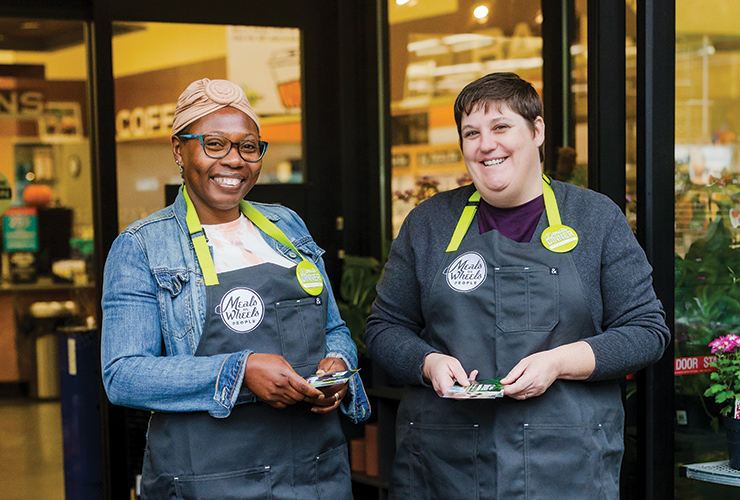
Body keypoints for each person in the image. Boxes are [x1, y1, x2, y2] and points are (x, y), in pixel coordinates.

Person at [365, 72, 670, 499]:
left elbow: (646, 331)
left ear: (537, 130)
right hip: (445, 463)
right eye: (471, 133)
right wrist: (427, 362)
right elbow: (383, 328)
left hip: (566, 463)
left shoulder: (595, 217)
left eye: (501, 127)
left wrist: (560, 362)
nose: (485, 144)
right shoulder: (429, 223)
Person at [101, 78, 369, 499]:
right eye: (214, 144)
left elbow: (333, 328)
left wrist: (338, 365)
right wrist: (239, 371)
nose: (234, 161)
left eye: (248, 146)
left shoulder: (287, 225)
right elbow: (123, 375)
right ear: (178, 149)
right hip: (208, 479)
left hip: (315, 473)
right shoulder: (142, 246)